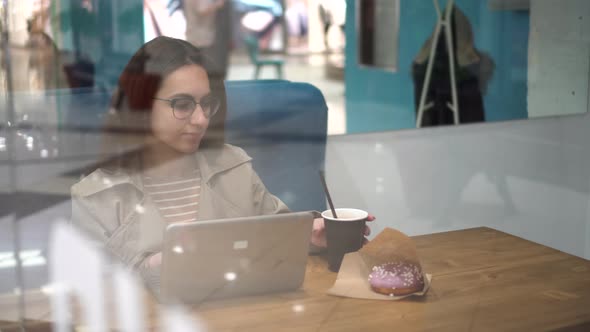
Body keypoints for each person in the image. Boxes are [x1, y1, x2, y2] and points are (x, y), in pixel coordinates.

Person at [70, 36, 372, 295]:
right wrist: (155, 266)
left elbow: (276, 233)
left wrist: (310, 235)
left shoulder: (233, 165)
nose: (202, 119)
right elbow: (92, 296)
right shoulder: (95, 196)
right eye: (183, 104)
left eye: (206, 104)